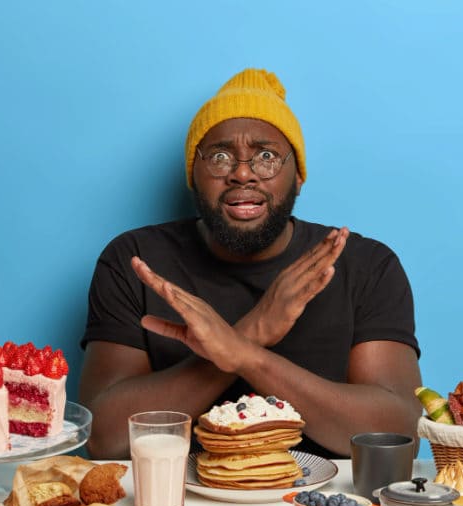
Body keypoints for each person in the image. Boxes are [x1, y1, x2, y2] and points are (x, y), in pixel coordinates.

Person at [79, 68, 421, 460]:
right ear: (193, 173)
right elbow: (104, 438)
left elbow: (399, 437)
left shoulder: (365, 266)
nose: (242, 173)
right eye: (220, 157)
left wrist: (246, 354)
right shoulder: (136, 260)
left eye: (267, 156)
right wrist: (254, 329)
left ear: (298, 176)